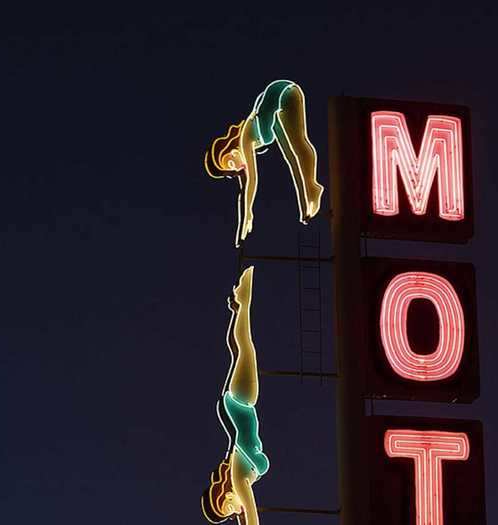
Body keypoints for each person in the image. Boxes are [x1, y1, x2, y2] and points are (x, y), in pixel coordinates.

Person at [205, 80, 324, 246]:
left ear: (231, 152)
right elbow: (245, 186)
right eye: (231, 170)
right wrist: (246, 214)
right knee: (291, 157)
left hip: (285, 93)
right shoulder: (247, 147)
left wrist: (246, 216)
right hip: (274, 113)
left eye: (230, 163)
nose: (237, 167)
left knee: (299, 145)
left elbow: (252, 181)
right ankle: (307, 200)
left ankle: (312, 188)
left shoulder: (245, 139)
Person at [202, 267, 269, 525]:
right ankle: (239, 305)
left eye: (228, 505)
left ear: (225, 494)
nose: (235, 508)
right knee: (241, 347)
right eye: (231, 512)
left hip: (241, 403)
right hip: (242, 405)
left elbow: (251, 517)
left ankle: (244, 299)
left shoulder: (240, 478)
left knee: (245, 345)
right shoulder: (243, 475)